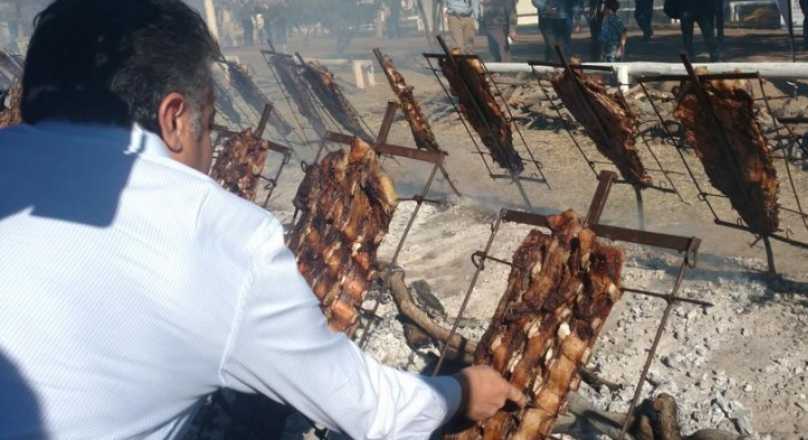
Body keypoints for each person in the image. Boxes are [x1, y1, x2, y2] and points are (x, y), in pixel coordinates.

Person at [0, 0, 525, 438]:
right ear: (175, 117)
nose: (210, 151)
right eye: (210, 124)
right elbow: (370, 412)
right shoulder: (220, 236)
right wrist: (461, 392)